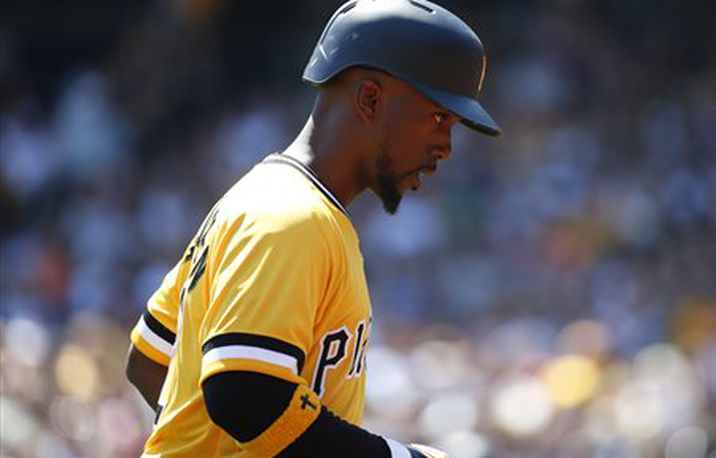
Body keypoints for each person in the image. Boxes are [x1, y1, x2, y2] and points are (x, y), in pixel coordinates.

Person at [125, 0, 500, 456]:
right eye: (439, 117)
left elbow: (151, 358)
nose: (446, 146)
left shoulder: (273, 202)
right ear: (370, 99)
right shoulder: (290, 214)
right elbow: (246, 394)